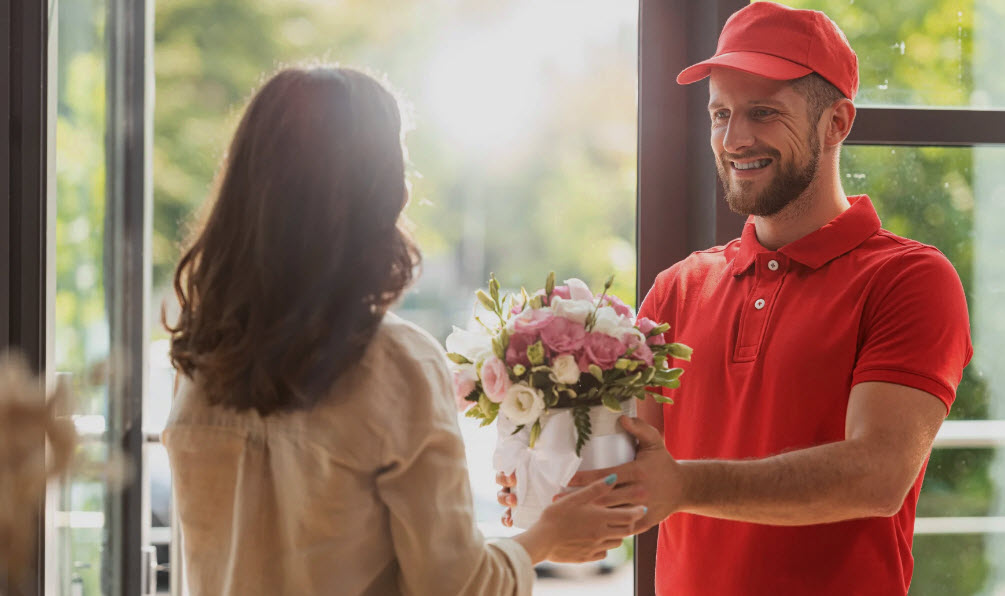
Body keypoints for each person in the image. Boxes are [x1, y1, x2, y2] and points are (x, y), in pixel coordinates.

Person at [499, 3, 972, 594]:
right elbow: (633, 467)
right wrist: (542, 471)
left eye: (763, 113)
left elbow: (878, 476)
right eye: (720, 113)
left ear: (837, 123)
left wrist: (685, 485)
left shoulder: (909, 279)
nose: (734, 137)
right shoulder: (678, 287)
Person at [162, 66, 645, 596]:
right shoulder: (394, 362)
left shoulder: (200, 362)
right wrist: (547, 537)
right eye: (400, 163)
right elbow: (456, 586)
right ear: (377, 192)